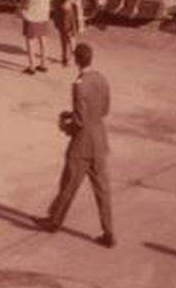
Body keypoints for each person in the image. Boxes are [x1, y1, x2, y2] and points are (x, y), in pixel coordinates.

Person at [34, 42, 115, 248]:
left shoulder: (78, 85)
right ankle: (109, 232)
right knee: (103, 190)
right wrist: (77, 115)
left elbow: (79, 121)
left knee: (68, 185)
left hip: (81, 146)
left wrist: (65, 126)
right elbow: (104, 110)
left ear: (76, 60)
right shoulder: (101, 79)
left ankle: (54, 221)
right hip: (99, 141)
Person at [21, 0, 55, 75]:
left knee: (30, 39)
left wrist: (23, 8)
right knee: (42, 37)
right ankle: (43, 64)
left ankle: (31, 66)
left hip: (33, 11)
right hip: (44, 9)